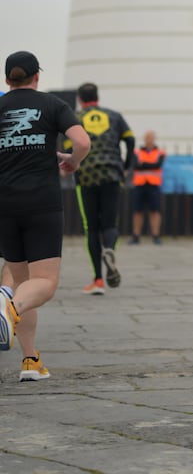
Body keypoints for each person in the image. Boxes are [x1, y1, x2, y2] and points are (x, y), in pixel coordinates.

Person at [0, 51, 90, 379]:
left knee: (23, 284)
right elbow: (81, 141)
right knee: (45, 284)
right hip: (41, 203)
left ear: (8, 78)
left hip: (5, 205)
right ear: (36, 76)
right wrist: (73, 161)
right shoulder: (52, 104)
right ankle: (6, 306)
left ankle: (30, 360)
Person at [68, 83, 135, 294]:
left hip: (87, 175)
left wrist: (74, 167)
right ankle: (109, 249)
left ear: (80, 99)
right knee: (110, 224)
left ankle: (98, 280)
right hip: (112, 173)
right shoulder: (114, 115)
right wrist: (125, 165)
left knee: (92, 227)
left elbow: (69, 146)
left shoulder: (75, 118)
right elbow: (130, 139)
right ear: (98, 96)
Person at [129, 130, 166, 244]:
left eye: (150, 137)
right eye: (147, 137)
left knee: (154, 211)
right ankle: (136, 235)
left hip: (153, 185)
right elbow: (135, 165)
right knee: (137, 211)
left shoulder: (160, 152)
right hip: (140, 184)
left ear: (154, 139)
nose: (148, 139)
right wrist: (149, 165)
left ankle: (155, 235)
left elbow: (157, 165)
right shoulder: (137, 151)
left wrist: (143, 164)